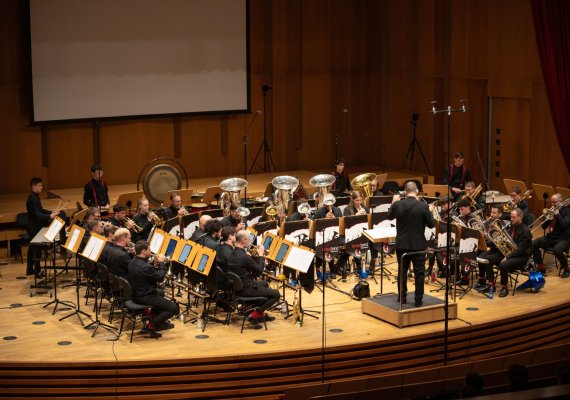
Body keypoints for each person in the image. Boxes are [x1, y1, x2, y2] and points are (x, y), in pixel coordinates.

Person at [387, 181, 435, 307]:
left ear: (405, 192)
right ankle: (418, 300)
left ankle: (402, 298)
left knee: (402, 272)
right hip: (418, 245)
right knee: (419, 273)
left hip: (402, 244)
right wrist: (430, 211)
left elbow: (389, 216)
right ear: (417, 191)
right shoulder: (423, 206)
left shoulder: (398, 204)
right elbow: (431, 224)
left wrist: (393, 202)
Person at [227, 230, 280, 325]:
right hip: (247, 289)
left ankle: (256, 311)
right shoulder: (245, 257)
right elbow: (260, 270)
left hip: (237, 288)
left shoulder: (231, 253)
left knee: (265, 284)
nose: (250, 242)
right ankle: (255, 314)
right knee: (276, 295)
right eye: (249, 240)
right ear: (243, 241)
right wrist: (261, 255)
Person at [128, 240, 179, 338]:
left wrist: (154, 264)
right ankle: (150, 326)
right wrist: (162, 263)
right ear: (144, 252)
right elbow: (160, 278)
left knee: (160, 292)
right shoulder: (145, 267)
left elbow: (147, 274)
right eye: (149, 250)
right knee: (173, 308)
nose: (150, 252)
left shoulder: (132, 262)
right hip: (144, 296)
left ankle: (158, 321)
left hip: (136, 292)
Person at [478, 208, 531, 297]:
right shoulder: (512, 226)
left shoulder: (525, 231)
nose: (511, 219)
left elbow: (520, 250)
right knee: (487, 260)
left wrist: (507, 257)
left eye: (514, 217)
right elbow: (504, 241)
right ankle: (491, 285)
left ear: (520, 217)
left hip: (521, 256)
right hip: (509, 252)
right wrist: (484, 242)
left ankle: (504, 288)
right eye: (511, 217)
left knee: (503, 265)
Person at [26, 177, 58, 277]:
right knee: (37, 249)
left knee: (32, 248)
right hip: (33, 226)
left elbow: (40, 210)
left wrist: (51, 212)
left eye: (41, 186)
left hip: (33, 225)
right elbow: (37, 214)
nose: (41, 187)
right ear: (33, 187)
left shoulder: (34, 197)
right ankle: (37, 271)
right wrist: (50, 216)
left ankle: (30, 270)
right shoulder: (33, 198)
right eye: (39, 186)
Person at [532, 193, 570, 277]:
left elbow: (564, 224)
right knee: (534, 243)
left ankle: (566, 268)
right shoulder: (551, 212)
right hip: (552, 237)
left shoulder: (567, 212)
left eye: (554, 202)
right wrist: (548, 218)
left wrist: (558, 215)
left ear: (560, 201)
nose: (552, 204)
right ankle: (541, 267)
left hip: (563, 238)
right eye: (551, 202)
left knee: (557, 250)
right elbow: (544, 227)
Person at [313, 195, 343, 278]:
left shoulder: (337, 210)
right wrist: (325, 219)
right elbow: (315, 226)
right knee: (322, 246)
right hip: (321, 236)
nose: (330, 205)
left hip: (334, 236)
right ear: (324, 203)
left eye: (331, 203)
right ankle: (318, 269)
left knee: (331, 245)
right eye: (327, 203)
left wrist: (335, 219)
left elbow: (342, 224)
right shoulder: (319, 212)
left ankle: (333, 270)